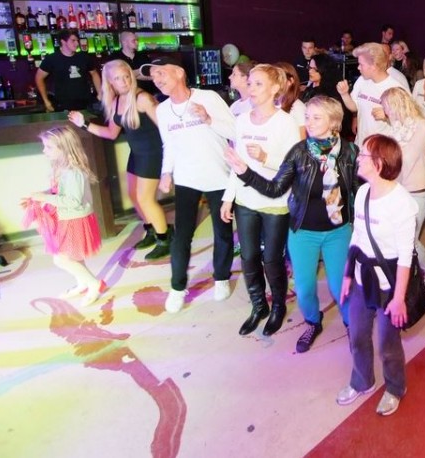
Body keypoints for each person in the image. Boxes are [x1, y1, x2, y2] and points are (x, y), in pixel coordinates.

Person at [227, 96, 359, 353]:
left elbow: (359, 190)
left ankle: (351, 324)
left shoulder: (350, 152)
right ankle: (313, 322)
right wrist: (245, 172)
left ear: (334, 121)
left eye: (316, 117)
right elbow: (275, 188)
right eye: (307, 116)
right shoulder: (299, 152)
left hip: (338, 232)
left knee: (339, 286)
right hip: (303, 233)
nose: (309, 122)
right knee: (304, 288)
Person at [145, 56, 237, 313]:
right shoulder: (162, 110)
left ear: (179, 72)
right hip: (186, 178)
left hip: (218, 175)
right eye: (153, 76)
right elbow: (169, 144)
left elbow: (234, 131)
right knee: (182, 236)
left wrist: (208, 119)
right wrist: (166, 172)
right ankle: (177, 287)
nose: (156, 79)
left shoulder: (209, 98)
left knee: (222, 232)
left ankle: (221, 277)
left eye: (161, 73)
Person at [337, 134, 417, 417]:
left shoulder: (402, 203)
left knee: (387, 344)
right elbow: (357, 237)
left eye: (363, 155)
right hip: (362, 279)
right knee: (357, 335)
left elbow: (406, 256)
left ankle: (395, 387)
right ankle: (363, 381)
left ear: (379, 164)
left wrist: (398, 299)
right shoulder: (362, 193)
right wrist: (348, 275)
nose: (357, 158)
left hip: (389, 285)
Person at [220, 64, 301, 337]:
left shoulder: (286, 122)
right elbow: (237, 164)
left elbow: (293, 167)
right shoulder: (242, 120)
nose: (251, 89)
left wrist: (266, 158)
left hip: (275, 203)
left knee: (272, 260)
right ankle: (258, 305)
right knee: (248, 257)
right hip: (245, 201)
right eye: (250, 83)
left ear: (275, 88)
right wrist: (228, 197)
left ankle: (278, 305)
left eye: (258, 84)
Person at [68, 60, 169, 256]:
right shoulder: (115, 101)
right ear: (110, 82)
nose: (124, 81)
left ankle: (165, 239)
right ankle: (151, 229)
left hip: (153, 153)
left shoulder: (142, 98)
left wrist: (171, 163)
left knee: (145, 199)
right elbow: (111, 133)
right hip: (137, 153)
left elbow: (167, 129)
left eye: (126, 76)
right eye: (117, 78)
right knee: (133, 195)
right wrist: (84, 124)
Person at [21, 126, 105, 306]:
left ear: (64, 148)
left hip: (75, 219)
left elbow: (72, 201)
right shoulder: (62, 168)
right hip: (68, 217)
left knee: (61, 258)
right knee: (73, 255)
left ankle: (94, 284)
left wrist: (44, 198)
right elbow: (58, 191)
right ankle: (83, 283)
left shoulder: (73, 172)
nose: (44, 151)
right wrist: (42, 195)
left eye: (49, 147)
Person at [377, 88, 425, 294]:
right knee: (401, 237)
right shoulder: (395, 128)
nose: (385, 111)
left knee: (409, 239)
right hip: (400, 190)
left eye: (386, 106)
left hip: (417, 191)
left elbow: (406, 162)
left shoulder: (421, 127)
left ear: (396, 105)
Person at [337, 42, 406, 146]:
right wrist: (344, 94)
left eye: (361, 64)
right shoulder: (362, 80)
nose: (358, 68)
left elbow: (406, 123)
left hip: (381, 149)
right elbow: (354, 107)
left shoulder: (395, 88)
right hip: (361, 145)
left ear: (373, 66)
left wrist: (387, 116)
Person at [36, 30, 101, 112]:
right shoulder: (52, 59)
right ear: (63, 42)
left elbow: (94, 73)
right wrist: (46, 101)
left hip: (85, 102)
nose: (77, 43)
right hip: (63, 104)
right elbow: (39, 78)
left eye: (77, 41)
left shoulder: (84, 57)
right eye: (73, 40)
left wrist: (100, 94)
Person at [275, 62, 308, 140]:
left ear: (290, 81)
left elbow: (302, 140)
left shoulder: (297, 107)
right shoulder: (271, 104)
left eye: (278, 79)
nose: (274, 82)